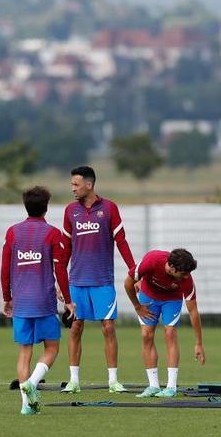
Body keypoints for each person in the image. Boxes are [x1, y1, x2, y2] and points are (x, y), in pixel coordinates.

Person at [1, 186, 76, 415]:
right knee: (52, 348)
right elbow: (60, 269)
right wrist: (68, 301)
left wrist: (7, 297)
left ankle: (27, 405)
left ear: (26, 206)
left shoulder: (13, 232)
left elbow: (5, 268)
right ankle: (33, 384)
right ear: (46, 208)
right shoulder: (53, 233)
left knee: (25, 352)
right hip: (43, 301)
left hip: (21, 303)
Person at [60, 166, 135, 394]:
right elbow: (65, 249)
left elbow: (121, 241)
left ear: (89, 185)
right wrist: (60, 281)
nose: (72, 188)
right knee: (75, 328)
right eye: (71, 184)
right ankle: (74, 380)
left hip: (103, 281)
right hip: (77, 282)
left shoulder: (110, 208)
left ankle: (113, 380)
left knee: (108, 328)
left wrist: (134, 271)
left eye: (76, 184)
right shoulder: (70, 211)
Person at [124, 248, 205, 398]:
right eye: (183, 273)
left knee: (170, 333)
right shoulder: (151, 260)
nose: (187, 276)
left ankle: (171, 387)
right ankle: (153, 386)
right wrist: (137, 307)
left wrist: (198, 343)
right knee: (146, 335)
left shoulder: (187, 280)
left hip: (171, 300)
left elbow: (193, 311)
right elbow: (128, 283)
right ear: (172, 268)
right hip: (149, 296)